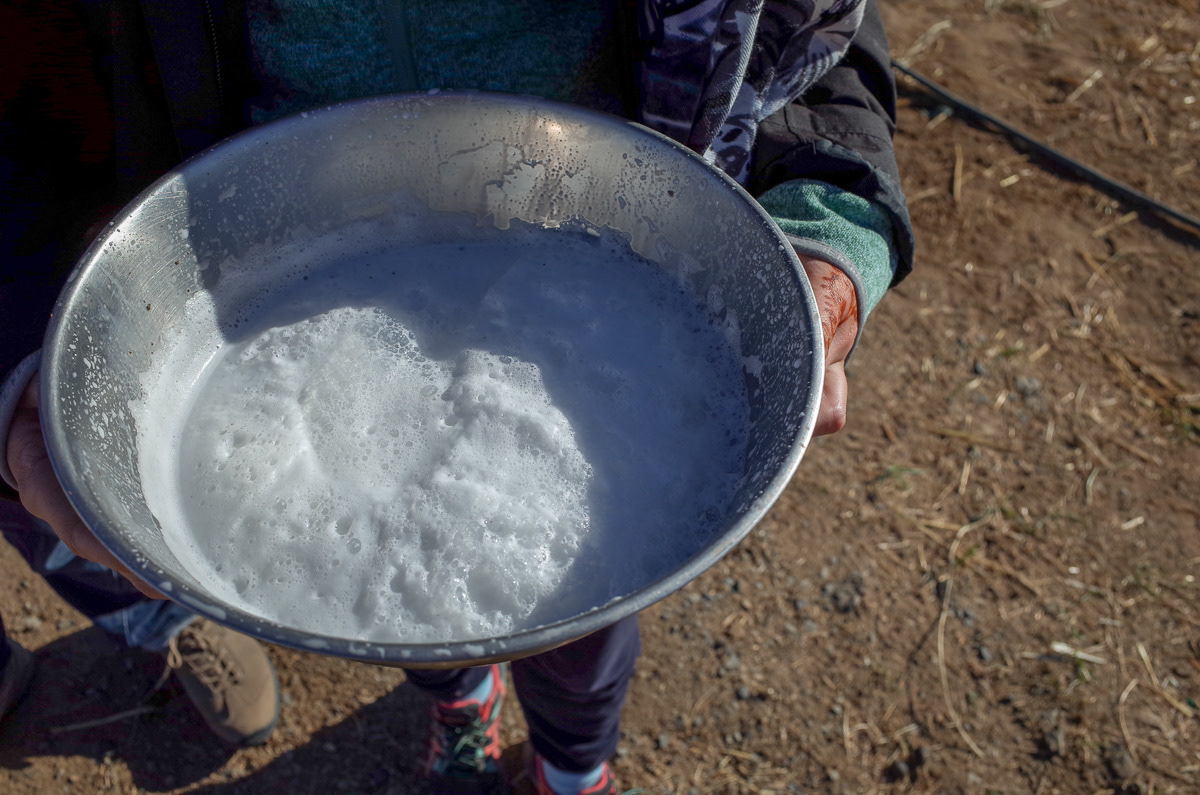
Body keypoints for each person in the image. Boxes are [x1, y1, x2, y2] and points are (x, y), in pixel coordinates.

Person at [0, 1, 913, 792]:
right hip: (253, 257)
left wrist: (826, 218)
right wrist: (19, 335)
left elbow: (808, 35)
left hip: (612, 256)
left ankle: (572, 768)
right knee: (415, 622)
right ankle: (459, 698)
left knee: (584, 641)